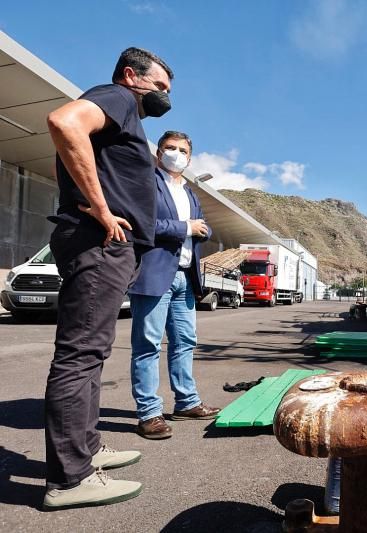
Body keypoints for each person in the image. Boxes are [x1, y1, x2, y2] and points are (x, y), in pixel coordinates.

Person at [43, 47, 173, 510]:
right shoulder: (116, 97)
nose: (165, 96)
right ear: (131, 75)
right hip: (99, 243)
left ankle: (88, 448)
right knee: (79, 356)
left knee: (92, 354)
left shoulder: (125, 113)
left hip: (109, 248)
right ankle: (70, 478)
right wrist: (101, 208)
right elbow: (64, 122)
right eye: (159, 85)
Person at [128, 131, 220, 439]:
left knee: (185, 342)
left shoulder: (189, 191)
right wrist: (186, 227)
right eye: (170, 148)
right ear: (158, 152)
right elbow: (141, 225)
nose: (176, 154)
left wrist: (200, 230)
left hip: (184, 276)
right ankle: (149, 414)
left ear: (190, 158)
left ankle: (186, 402)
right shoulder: (147, 182)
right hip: (154, 276)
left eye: (182, 150)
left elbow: (202, 226)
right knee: (148, 345)